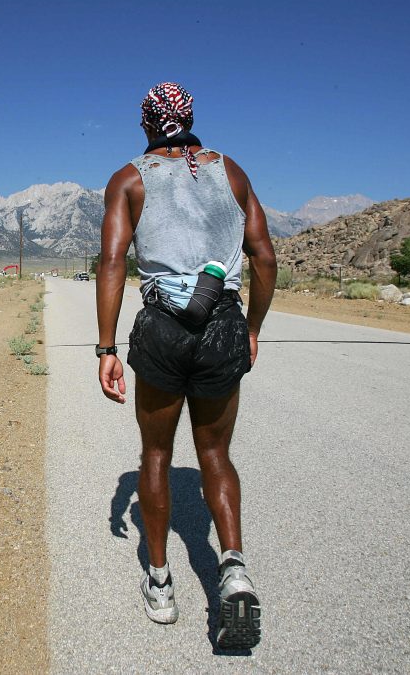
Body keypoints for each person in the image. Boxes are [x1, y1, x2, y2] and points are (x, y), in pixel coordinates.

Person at [95, 82, 276, 649]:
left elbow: (112, 261)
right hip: (222, 321)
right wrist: (251, 328)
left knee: (155, 452)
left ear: (147, 125)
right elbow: (265, 258)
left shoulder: (130, 178)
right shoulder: (233, 172)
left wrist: (106, 348)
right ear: (190, 118)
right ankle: (234, 567)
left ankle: (160, 581)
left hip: (163, 329)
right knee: (215, 453)